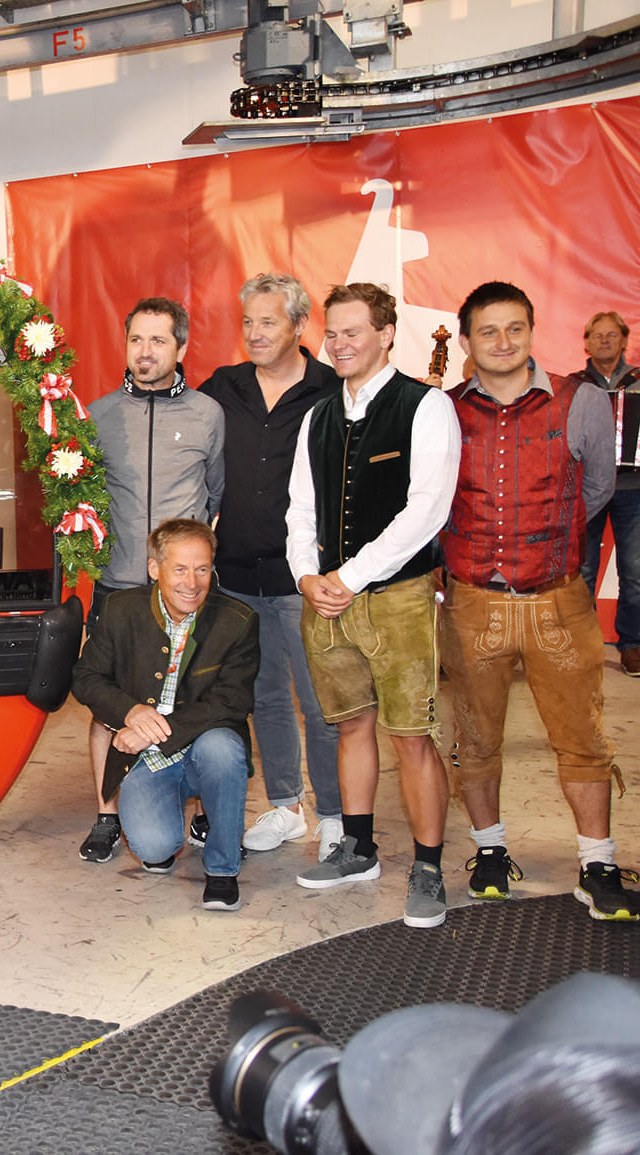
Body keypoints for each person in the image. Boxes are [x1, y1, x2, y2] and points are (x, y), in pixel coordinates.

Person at [438, 282, 634, 920]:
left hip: (558, 600)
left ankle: (597, 863)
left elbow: (599, 487)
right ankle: (491, 852)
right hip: (472, 602)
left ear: (532, 331)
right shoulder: (442, 410)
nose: (503, 342)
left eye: (515, 329)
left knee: (583, 738)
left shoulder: (581, 402)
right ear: (466, 341)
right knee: (475, 738)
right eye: (489, 331)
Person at [285, 282, 460, 929]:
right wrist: (306, 575)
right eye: (332, 333)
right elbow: (300, 508)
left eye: (354, 331)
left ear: (388, 333)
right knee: (350, 723)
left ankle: (429, 865)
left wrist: (349, 575)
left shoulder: (426, 406)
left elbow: (428, 511)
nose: (340, 343)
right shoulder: (318, 416)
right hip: (326, 600)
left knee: (412, 734)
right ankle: (357, 847)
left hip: (399, 599)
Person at [199, 273, 343, 860]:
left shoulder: (331, 390)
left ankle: (335, 816)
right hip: (235, 575)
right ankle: (285, 806)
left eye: (269, 322)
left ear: (298, 326)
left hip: (303, 579)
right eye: (249, 322)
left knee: (320, 702)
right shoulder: (223, 386)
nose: (255, 334)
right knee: (265, 698)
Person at [78, 298, 225, 864]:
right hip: (118, 584)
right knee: (106, 705)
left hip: (183, 587)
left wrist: (188, 568)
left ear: (181, 349)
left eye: (158, 341)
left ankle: (199, 810)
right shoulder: (98, 414)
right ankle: (106, 813)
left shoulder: (208, 415)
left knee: (193, 698)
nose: (145, 351)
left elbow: (216, 494)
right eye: (136, 339)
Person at [71, 519, 258, 911]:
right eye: (180, 569)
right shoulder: (121, 611)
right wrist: (131, 711)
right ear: (155, 569)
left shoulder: (238, 620)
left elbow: (232, 702)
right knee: (154, 850)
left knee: (223, 749)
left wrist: (156, 729)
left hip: (204, 745)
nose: (192, 582)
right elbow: (85, 678)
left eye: (202, 568)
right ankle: (168, 823)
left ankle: (223, 871)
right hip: (149, 762)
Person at [573, 311, 640, 678]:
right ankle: (583, 645)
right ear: (586, 342)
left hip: (635, 487)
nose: (604, 341)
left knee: (636, 570)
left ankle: (632, 645)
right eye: (597, 335)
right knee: (582, 569)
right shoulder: (574, 386)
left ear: (624, 341)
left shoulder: (639, 381)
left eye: (611, 335)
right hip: (588, 486)